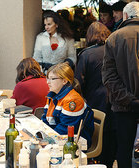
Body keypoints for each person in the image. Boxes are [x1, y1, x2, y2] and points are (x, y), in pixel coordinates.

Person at [102, 2, 139, 167]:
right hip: (126, 104)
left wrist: (129, 100)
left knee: (124, 150)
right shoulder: (115, 37)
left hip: (124, 107)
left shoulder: (114, 37)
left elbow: (109, 76)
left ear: (125, 16)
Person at [75, 22, 116, 167]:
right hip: (115, 99)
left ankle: (97, 162)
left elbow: (78, 82)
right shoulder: (114, 50)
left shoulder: (86, 54)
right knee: (112, 135)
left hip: (94, 100)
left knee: (98, 135)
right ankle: (108, 163)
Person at [42, 63, 94, 147]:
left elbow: (65, 129)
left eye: (52, 79)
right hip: (58, 137)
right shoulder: (52, 95)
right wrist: (42, 133)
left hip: (73, 143)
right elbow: (45, 119)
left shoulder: (72, 100)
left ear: (64, 81)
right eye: (47, 78)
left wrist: (47, 140)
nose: (48, 82)